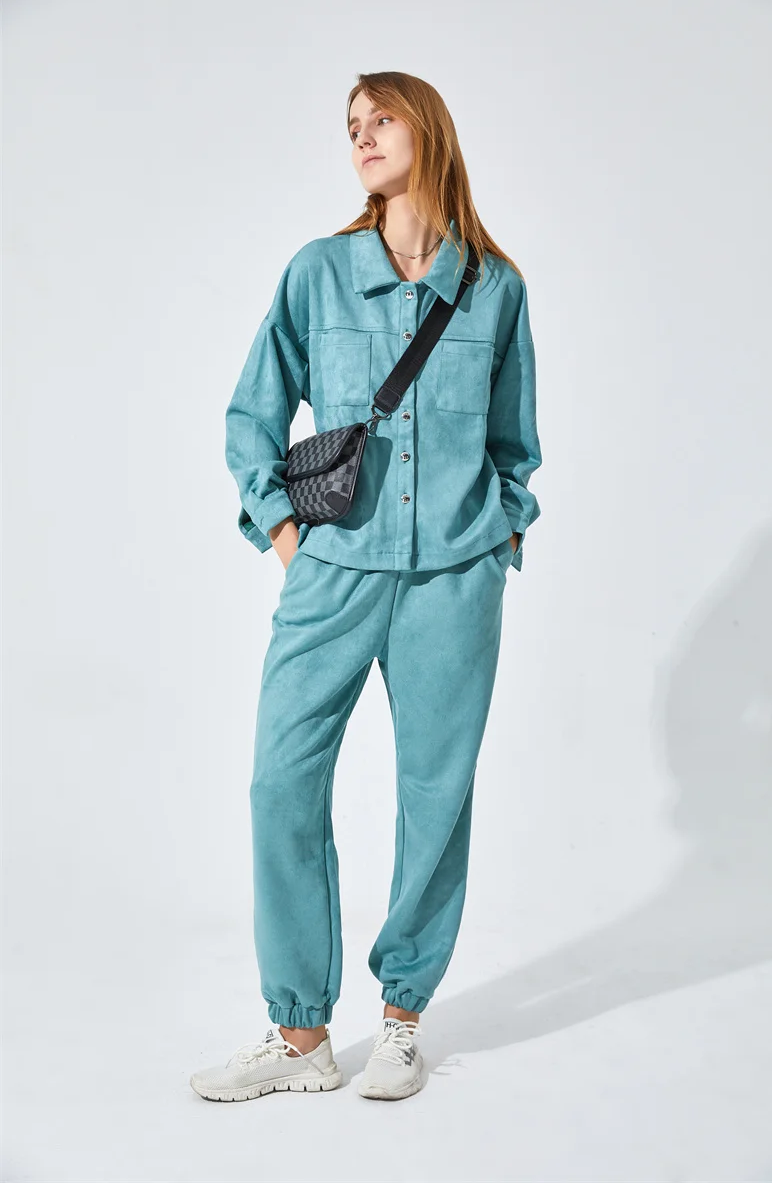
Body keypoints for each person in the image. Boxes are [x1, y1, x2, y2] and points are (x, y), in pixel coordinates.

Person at [190, 70, 542, 1104]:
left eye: (379, 119)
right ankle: (300, 1034)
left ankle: (401, 1022)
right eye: (351, 127)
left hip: (451, 583)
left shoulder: (495, 287)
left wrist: (496, 539)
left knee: (434, 798)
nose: (361, 138)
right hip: (332, 575)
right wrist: (286, 536)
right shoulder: (318, 273)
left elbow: (514, 444)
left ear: (426, 129)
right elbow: (252, 415)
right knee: (279, 784)